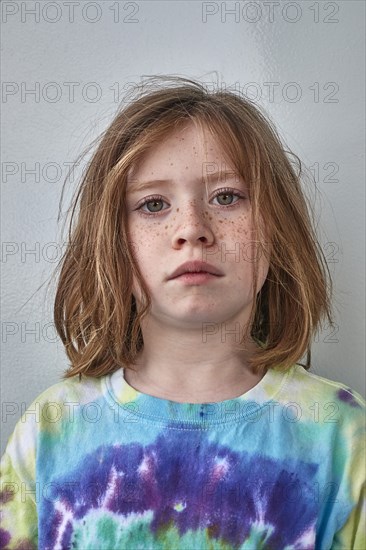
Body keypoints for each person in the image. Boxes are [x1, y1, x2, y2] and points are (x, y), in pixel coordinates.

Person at [1, 75, 365, 549]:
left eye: (227, 197)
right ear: (112, 243)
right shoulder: (51, 428)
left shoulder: (341, 434)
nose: (192, 228)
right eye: (153, 204)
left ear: (277, 230)